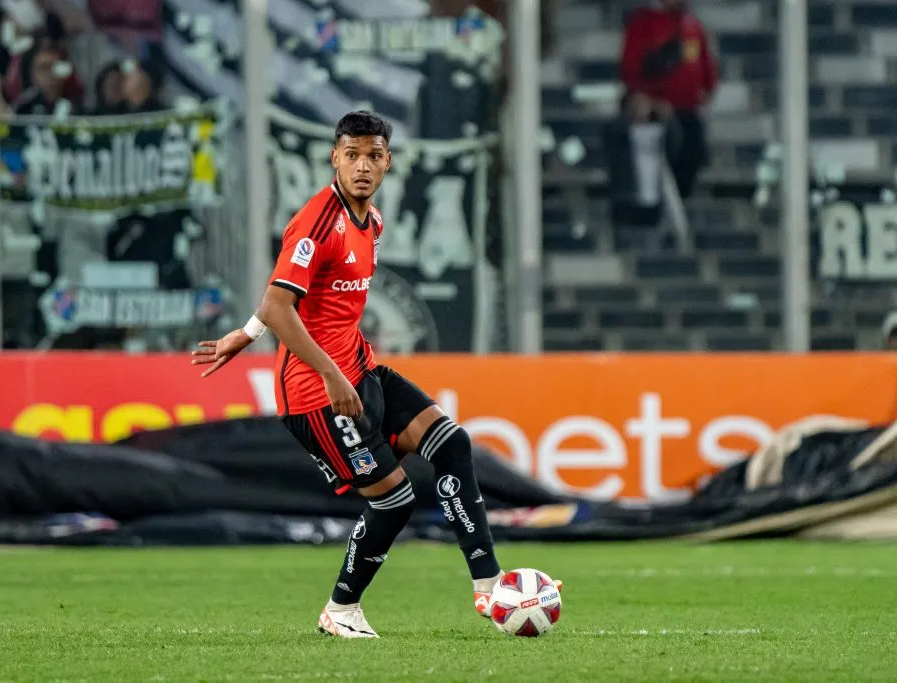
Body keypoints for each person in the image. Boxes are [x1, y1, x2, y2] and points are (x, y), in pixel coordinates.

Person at [192, 111, 551, 638]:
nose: (363, 166)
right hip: (317, 394)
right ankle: (339, 611)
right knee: (394, 500)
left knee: (453, 444)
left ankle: (489, 585)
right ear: (335, 157)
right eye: (352, 155)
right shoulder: (317, 220)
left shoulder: (373, 222)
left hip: (360, 372)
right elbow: (277, 306)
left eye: (374, 155)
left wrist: (243, 335)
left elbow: (289, 296)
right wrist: (326, 372)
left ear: (387, 161)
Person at [620, 0, 718, 199]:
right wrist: (649, 98)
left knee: (692, 155)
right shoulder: (643, 25)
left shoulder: (693, 27)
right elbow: (630, 71)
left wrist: (706, 89)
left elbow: (706, 67)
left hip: (688, 111)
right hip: (655, 114)